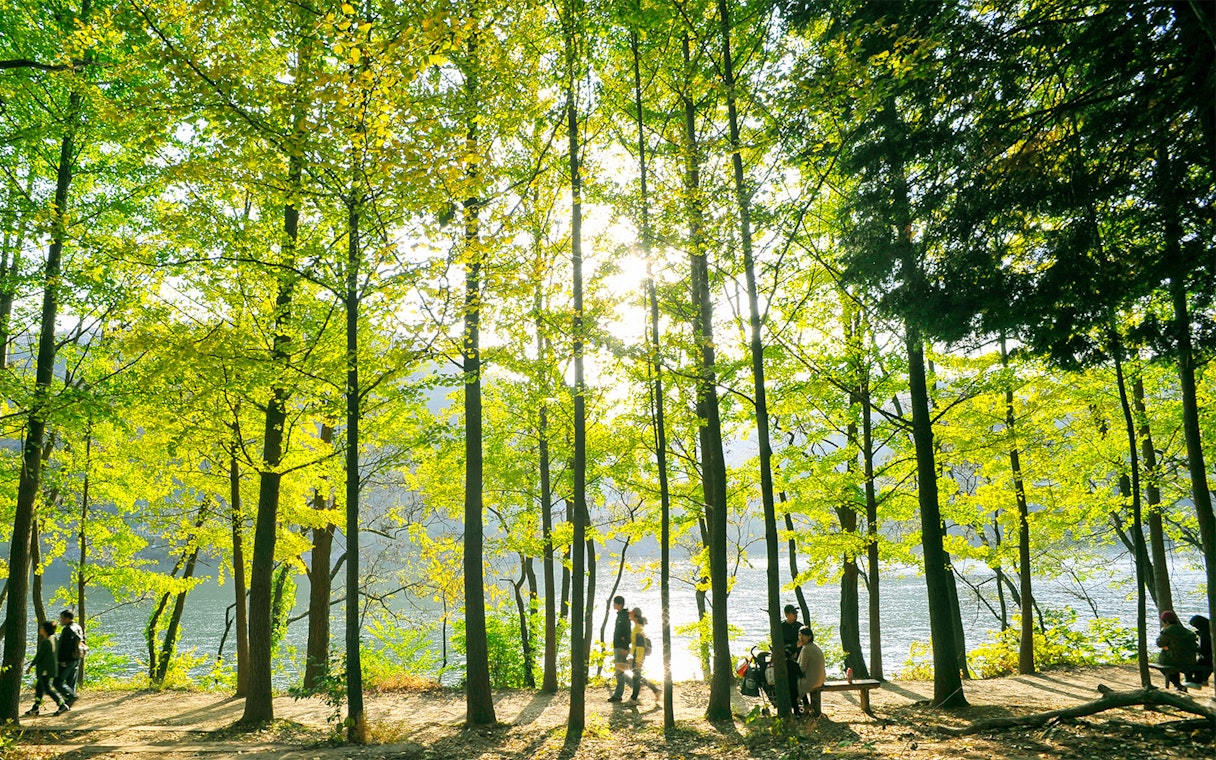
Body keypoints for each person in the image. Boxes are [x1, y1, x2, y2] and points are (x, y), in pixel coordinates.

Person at [24, 621, 68, 717]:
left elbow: (39, 656)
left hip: (45, 670)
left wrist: (30, 666)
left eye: (41, 628)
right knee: (39, 689)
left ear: (45, 630)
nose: (40, 629)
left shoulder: (46, 642)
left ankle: (62, 704)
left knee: (47, 689)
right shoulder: (54, 638)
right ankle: (35, 708)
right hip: (50, 669)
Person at [1156, 610, 1198, 692]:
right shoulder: (1187, 631)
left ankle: (1177, 684)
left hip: (1174, 660)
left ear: (1166, 621)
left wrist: (1162, 632)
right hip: (1189, 661)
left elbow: (1159, 643)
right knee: (1173, 657)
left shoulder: (1167, 631)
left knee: (1162, 663)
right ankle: (1178, 686)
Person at [627, 607, 660, 702]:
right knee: (637, 675)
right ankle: (655, 690)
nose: (629, 615)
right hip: (636, 655)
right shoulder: (637, 627)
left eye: (631, 613)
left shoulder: (638, 629)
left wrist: (638, 660)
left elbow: (640, 646)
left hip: (638, 655)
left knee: (636, 676)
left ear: (635, 616)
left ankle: (633, 699)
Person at [55, 610, 85, 706]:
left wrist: (62, 660)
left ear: (67, 619)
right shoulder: (78, 627)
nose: (60, 621)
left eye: (62, 618)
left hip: (67, 660)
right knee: (70, 682)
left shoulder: (68, 629)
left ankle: (71, 696)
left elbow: (65, 647)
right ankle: (68, 704)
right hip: (76, 658)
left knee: (58, 682)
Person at [795, 626, 826, 717]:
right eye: (799, 635)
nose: (801, 638)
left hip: (812, 681)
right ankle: (807, 705)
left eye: (803, 636)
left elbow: (802, 668)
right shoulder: (813, 647)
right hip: (820, 679)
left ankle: (804, 707)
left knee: (793, 684)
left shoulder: (806, 649)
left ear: (809, 636)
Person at [608, 595, 631, 702]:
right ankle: (637, 686)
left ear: (620, 605)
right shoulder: (620, 616)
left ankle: (618, 695)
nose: (613, 605)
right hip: (618, 646)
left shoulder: (624, 617)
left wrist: (625, 647)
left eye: (615, 603)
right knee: (621, 670)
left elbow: (627, 633)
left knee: (619, 671)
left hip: (621, 647)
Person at [1188, 614, 1211, 687]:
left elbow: (1203, 649)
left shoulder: (1204, 633)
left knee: (1198, 663)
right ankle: (1204, 679)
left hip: (1209, 657)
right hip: (1210, 656)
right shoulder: (1210, 630)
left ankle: (1197, 681)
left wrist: (1194, 648)